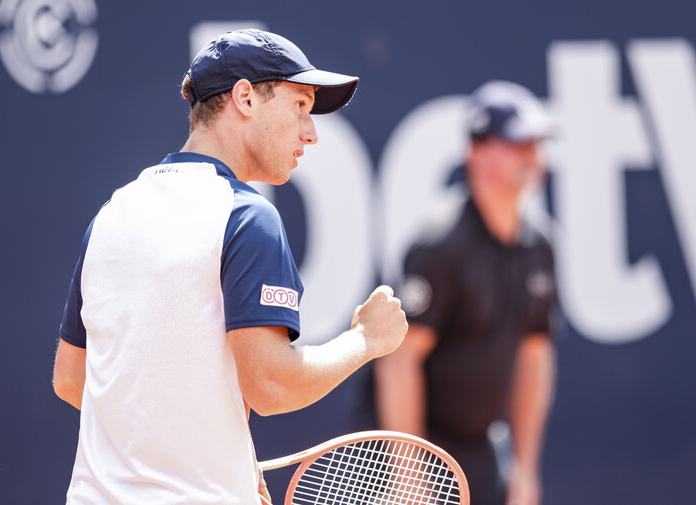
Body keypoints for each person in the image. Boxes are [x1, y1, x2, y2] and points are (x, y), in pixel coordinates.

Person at [52, 28, 408, 505]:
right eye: (300, 106)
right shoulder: (246, 216)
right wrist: (367, 339)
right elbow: (272, 385)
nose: (312, 131)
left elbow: (72, 380)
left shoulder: (113, 212)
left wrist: (220, 457)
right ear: (245, 98)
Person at [375, 81, 558, 505]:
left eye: (537, 143)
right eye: (518, 142)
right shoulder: (439, 245)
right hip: (418, 454)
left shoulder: (542, 247)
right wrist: (408, 477)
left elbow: (534, 361)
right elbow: (398, 362)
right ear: (476, 154)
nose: (533, 155)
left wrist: (525, 472)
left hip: (482, 453)